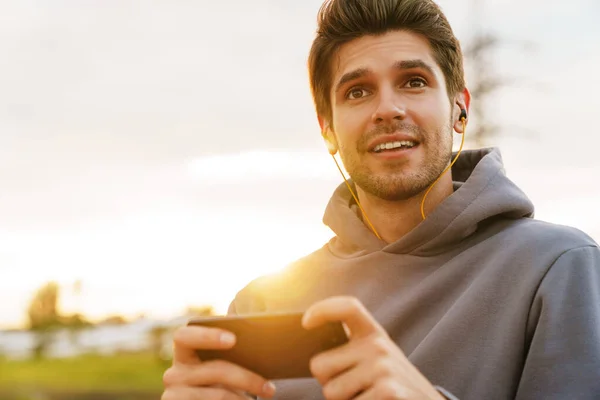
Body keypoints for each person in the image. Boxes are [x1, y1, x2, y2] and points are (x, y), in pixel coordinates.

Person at [161, 0, 600, 399]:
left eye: (413, 81)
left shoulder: (558, 267)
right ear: (328, 129)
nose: (387, 109)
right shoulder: (259, 306)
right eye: (357, 91)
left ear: (459, 108)